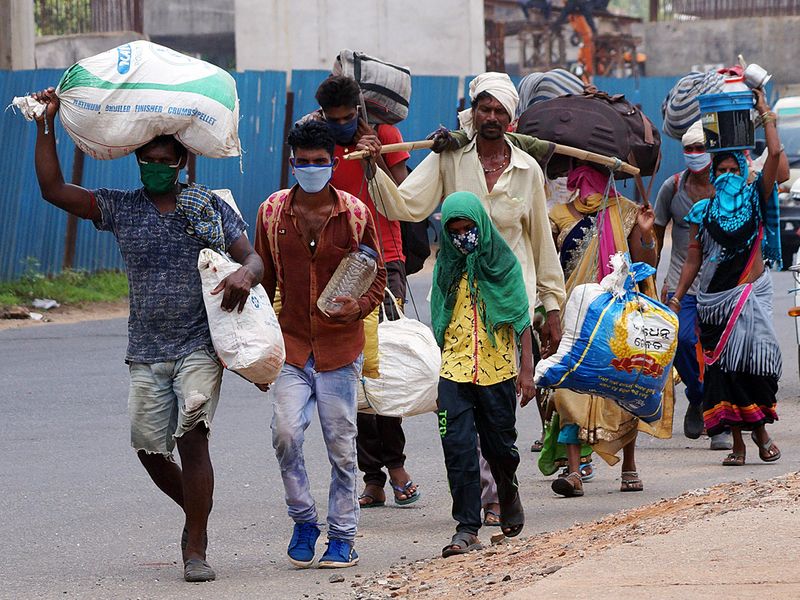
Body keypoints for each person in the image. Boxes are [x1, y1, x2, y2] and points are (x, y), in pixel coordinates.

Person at [31, 88, 262, 582]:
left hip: (198, 345)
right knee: (149, 448)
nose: (156, 166)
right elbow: (53, 189)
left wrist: (247, 274)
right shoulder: (121, 209)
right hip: (145, 351)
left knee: (193, 439)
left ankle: (195, 547)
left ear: (181, 163)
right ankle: (197, 509)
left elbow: (254, 256)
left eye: (165, 160)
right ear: (138, 161)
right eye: (149, 160)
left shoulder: (207, 207)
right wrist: (44, 123)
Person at [359, 71, 566, 524]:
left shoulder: (527, 171)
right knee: (458, 419)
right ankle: (473, 513)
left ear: (510, 119)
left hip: (509, 305)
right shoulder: (450, 157)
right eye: (484, 109)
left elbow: (540, 243)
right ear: (474, 113)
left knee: (498, 420)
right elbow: (404, 206)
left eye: (499, 111)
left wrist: (552, 306)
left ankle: (503, 492)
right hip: (456, 304)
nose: (490, 118)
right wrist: (374, 167)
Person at [254, 120, 387, 568]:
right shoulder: (272, 213)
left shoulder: (355, 213)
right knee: (286, 434)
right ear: (292, 163)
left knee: (341, 445)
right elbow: (263, 281)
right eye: (303, 163)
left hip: (340, 348)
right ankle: (305, 519)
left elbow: (377, 273)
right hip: (290, 348)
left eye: (319, 162)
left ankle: (344, 537)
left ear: (333, 161)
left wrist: (359, 307)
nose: (311, 169)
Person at [304, 75, 420, 510]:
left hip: (384, 260)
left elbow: (401, 199)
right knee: (349, 371)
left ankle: (396, 465)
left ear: (359, 110)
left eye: (348, 117)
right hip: (334, 265)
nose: (340, 125)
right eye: (333, 119)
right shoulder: (316, 142)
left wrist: (374, 160)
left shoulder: (385, 136)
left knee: (382, 366)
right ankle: (373, 475)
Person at [544, 162, 673, 497]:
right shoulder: (557, 214)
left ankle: (629, 466)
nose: (588, 180)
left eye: (595, 171)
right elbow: (546, 261)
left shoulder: (628, 211)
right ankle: (573, 473)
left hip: (616, 316)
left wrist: (646, 232)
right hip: (577, 313)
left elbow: (647, 262)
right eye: (581, 170)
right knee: (568, 390)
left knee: (623, 386)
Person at [671, 88, 782, 468]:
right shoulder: (704, 211)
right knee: (722, 373)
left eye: (735, 170)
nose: (729, 176)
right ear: (715, 175)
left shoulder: (755, 197)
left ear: (743, 170)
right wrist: (676, 296)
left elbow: (777, 158)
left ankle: (762, 433)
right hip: (713, 303)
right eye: (723, 171)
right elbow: (693, 259)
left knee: (755, 370)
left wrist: (765, 112)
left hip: (750, 297)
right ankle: (737, 443)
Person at [433, 191, 534, 556]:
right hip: (454, 371)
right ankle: (466, 527)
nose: (463, 236)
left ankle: (507, 492)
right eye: (455, 230)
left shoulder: (502, 264)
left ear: (480, 225)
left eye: (468, 227)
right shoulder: (446, 266)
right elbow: (439, 318)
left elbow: (521, 319)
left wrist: (527, 371)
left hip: (498, 371)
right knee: (457, 449)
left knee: (500, 449)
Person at [654, 121, 733, 451]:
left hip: (721, 284)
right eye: (690, 150)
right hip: (679, 283)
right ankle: (698, 396)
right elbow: (656, 236)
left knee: (720, 353)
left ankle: (719, 424)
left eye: (702, 148)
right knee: (682, 341)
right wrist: (653, 280)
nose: (696, 155)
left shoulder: (727, 187)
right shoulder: (672, 188)